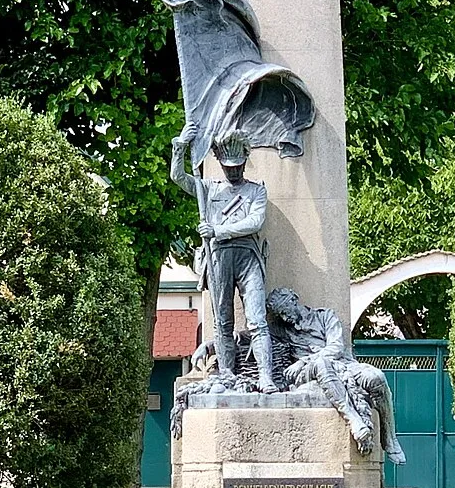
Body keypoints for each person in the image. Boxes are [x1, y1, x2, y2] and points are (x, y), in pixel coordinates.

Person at [171, 123, 277, 392]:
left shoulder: (256, 190)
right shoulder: (210, 189)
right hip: (218, 258)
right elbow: (178, 177)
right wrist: (180, 146)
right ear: (220, 163)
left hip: (248, 256)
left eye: (238, 165)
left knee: (257, 319)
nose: (234, 170)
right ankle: (227, 372)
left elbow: (255, 221)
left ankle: (266, 376)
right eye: (229, 166)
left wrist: (218, 230)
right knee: (222, 321)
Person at [263, 287, 405, 463]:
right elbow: (257, 335)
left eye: (285, 312)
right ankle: (354, 421)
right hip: (307, 374)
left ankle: (390, 437)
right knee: (321, 364)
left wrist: (304, 360)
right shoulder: (281, 329)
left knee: (376, 377)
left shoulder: (325, 316)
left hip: (342, 364)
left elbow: (336, 347)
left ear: (294, 301)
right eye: (281, 315)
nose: (285, 318)